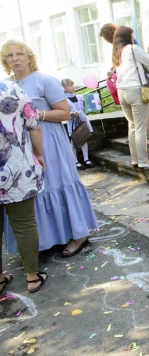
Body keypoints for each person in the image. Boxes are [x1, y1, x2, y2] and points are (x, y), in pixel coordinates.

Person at [1, 40, 98, 258]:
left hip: (49, 140)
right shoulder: (5, 85)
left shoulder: (44, 80)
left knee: (57, 182)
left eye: (19, 54)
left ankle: (79, 234)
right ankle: (47, 238)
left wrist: (35, 114)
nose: (15, 58)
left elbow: (64, 113)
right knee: (34, 190)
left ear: (29, 57)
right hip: (21, 146)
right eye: (9, 55)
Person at [0, 77, 48, 293]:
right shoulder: (11, 89)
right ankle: (32, 276)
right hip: (16, 169)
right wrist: (39, 154)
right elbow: (33, 125)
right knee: (25, 224)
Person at [100, 23, 149, 146]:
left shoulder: (126, 46)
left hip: (128, 87)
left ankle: (148, 141)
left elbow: (136, 60)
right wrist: (114, 69)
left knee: (136, 123)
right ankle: (142, 155)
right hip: (131, 87)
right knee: (137, 123)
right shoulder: (122, 46)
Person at [112, 26, 149, 169]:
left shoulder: (117, 52)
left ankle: (135, 159)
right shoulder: (133, 48)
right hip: (135, 91)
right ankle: (143, 161)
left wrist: (146, 52)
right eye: (132, 34)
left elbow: (135, 65)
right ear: (128, 36)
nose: (133, 37)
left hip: (122, 91)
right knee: (140, 127)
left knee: (132, 125)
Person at [61, 78, 94, 170]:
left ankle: (86, 159)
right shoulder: (65, 100)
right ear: (64, 88)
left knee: (84, 138)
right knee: (73, 140)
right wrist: (72, 113)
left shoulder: (79, 97)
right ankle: (75, 161)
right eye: (69, 85)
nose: (72, 87)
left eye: (72, 84)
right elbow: (64, 112)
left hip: (81, 120)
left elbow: (84, 107)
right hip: (73, 122)